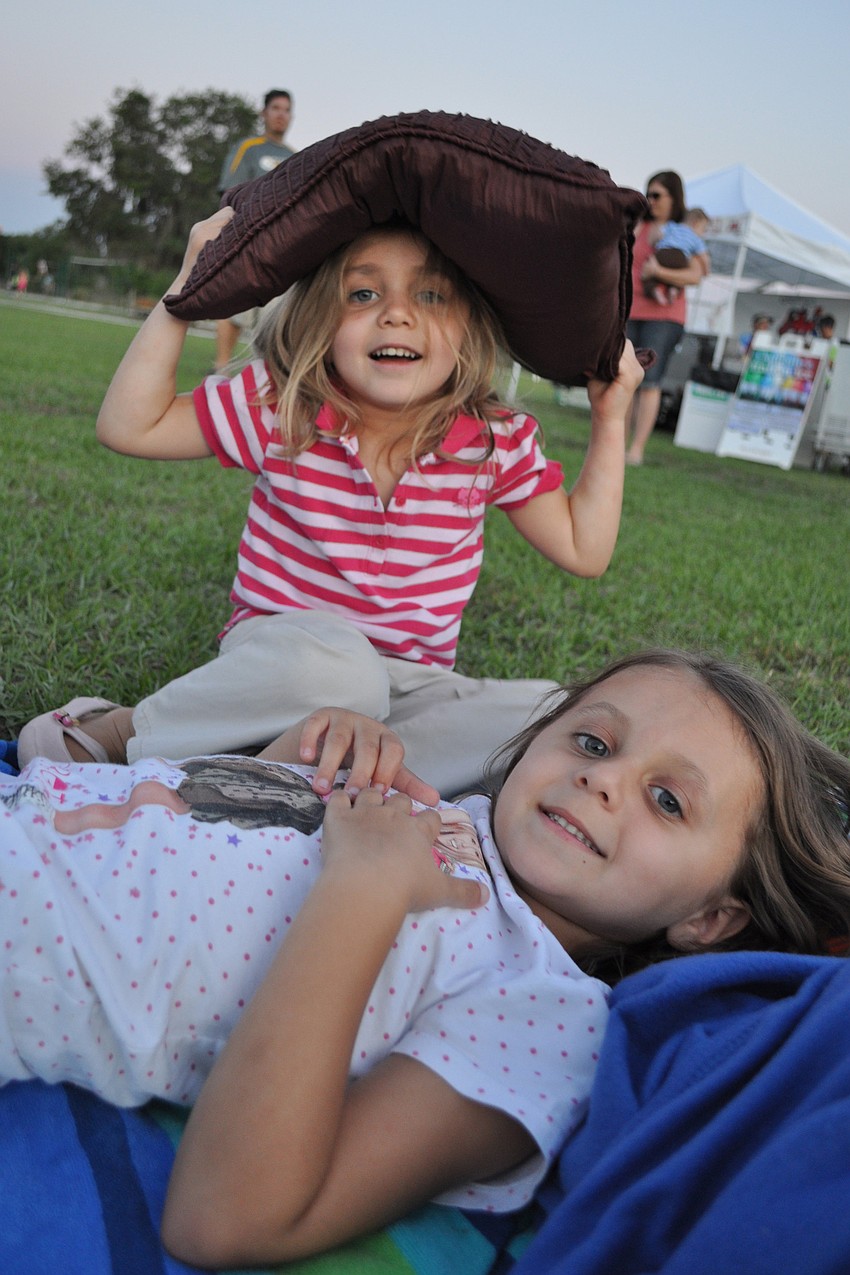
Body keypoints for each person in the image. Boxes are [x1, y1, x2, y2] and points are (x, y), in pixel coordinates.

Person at [4, 648, 850, 1269]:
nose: (604, 780)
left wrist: (364, 891)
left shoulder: (548, 1014)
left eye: (668, 799)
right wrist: (285, 763)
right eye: (593, 743)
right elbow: (200, 853)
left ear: (710, 919)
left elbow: (226, 1214)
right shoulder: (443, 813)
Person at [18, 210, 644, 797]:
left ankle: (293, 773)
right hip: (291, 661)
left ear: (470, 327)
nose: (396, 315)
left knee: (547, 716)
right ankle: (126, 730)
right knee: (343, 677)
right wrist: (186, 293)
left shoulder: (493, 439)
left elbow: (583, 549)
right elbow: (129, 426)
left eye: (431, 295)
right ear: (320, 317)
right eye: (363, 294)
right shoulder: (283, 405)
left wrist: (611, 417)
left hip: (411, 688)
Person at [625, 172, 710, 465]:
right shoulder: (640, 226)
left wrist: (659, 273)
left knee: (649, 381)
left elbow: (696, 274)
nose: (651, 200)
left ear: (674, 198)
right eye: (648, 193)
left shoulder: (683, 230)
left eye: (657, 195)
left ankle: (636, 449)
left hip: (664, 317)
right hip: (630, 310)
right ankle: (617, 444)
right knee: (624, 379)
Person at [215, 90, 295, 370]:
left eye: (286, 109)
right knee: (235, 306)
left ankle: (263, 371)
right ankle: (221, 368)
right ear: (264, 113)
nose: (281, 114)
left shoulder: (295, 156)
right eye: (276, 108)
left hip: (279, 247)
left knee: (272, 312)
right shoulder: (249, 148)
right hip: (245, 240)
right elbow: (230, 192)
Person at [642, 207, 710, 306]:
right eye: (703, 229)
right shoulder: (696, 238)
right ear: (695, 223)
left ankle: (654, 290)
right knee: (679, 276)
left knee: (649, 277)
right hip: (680, 257)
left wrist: (657, 244)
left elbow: (659, 235)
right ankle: (674, 290)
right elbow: (704, 257)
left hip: (663, 253)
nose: (702, 233)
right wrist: (706, 271)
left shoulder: (672, 226)